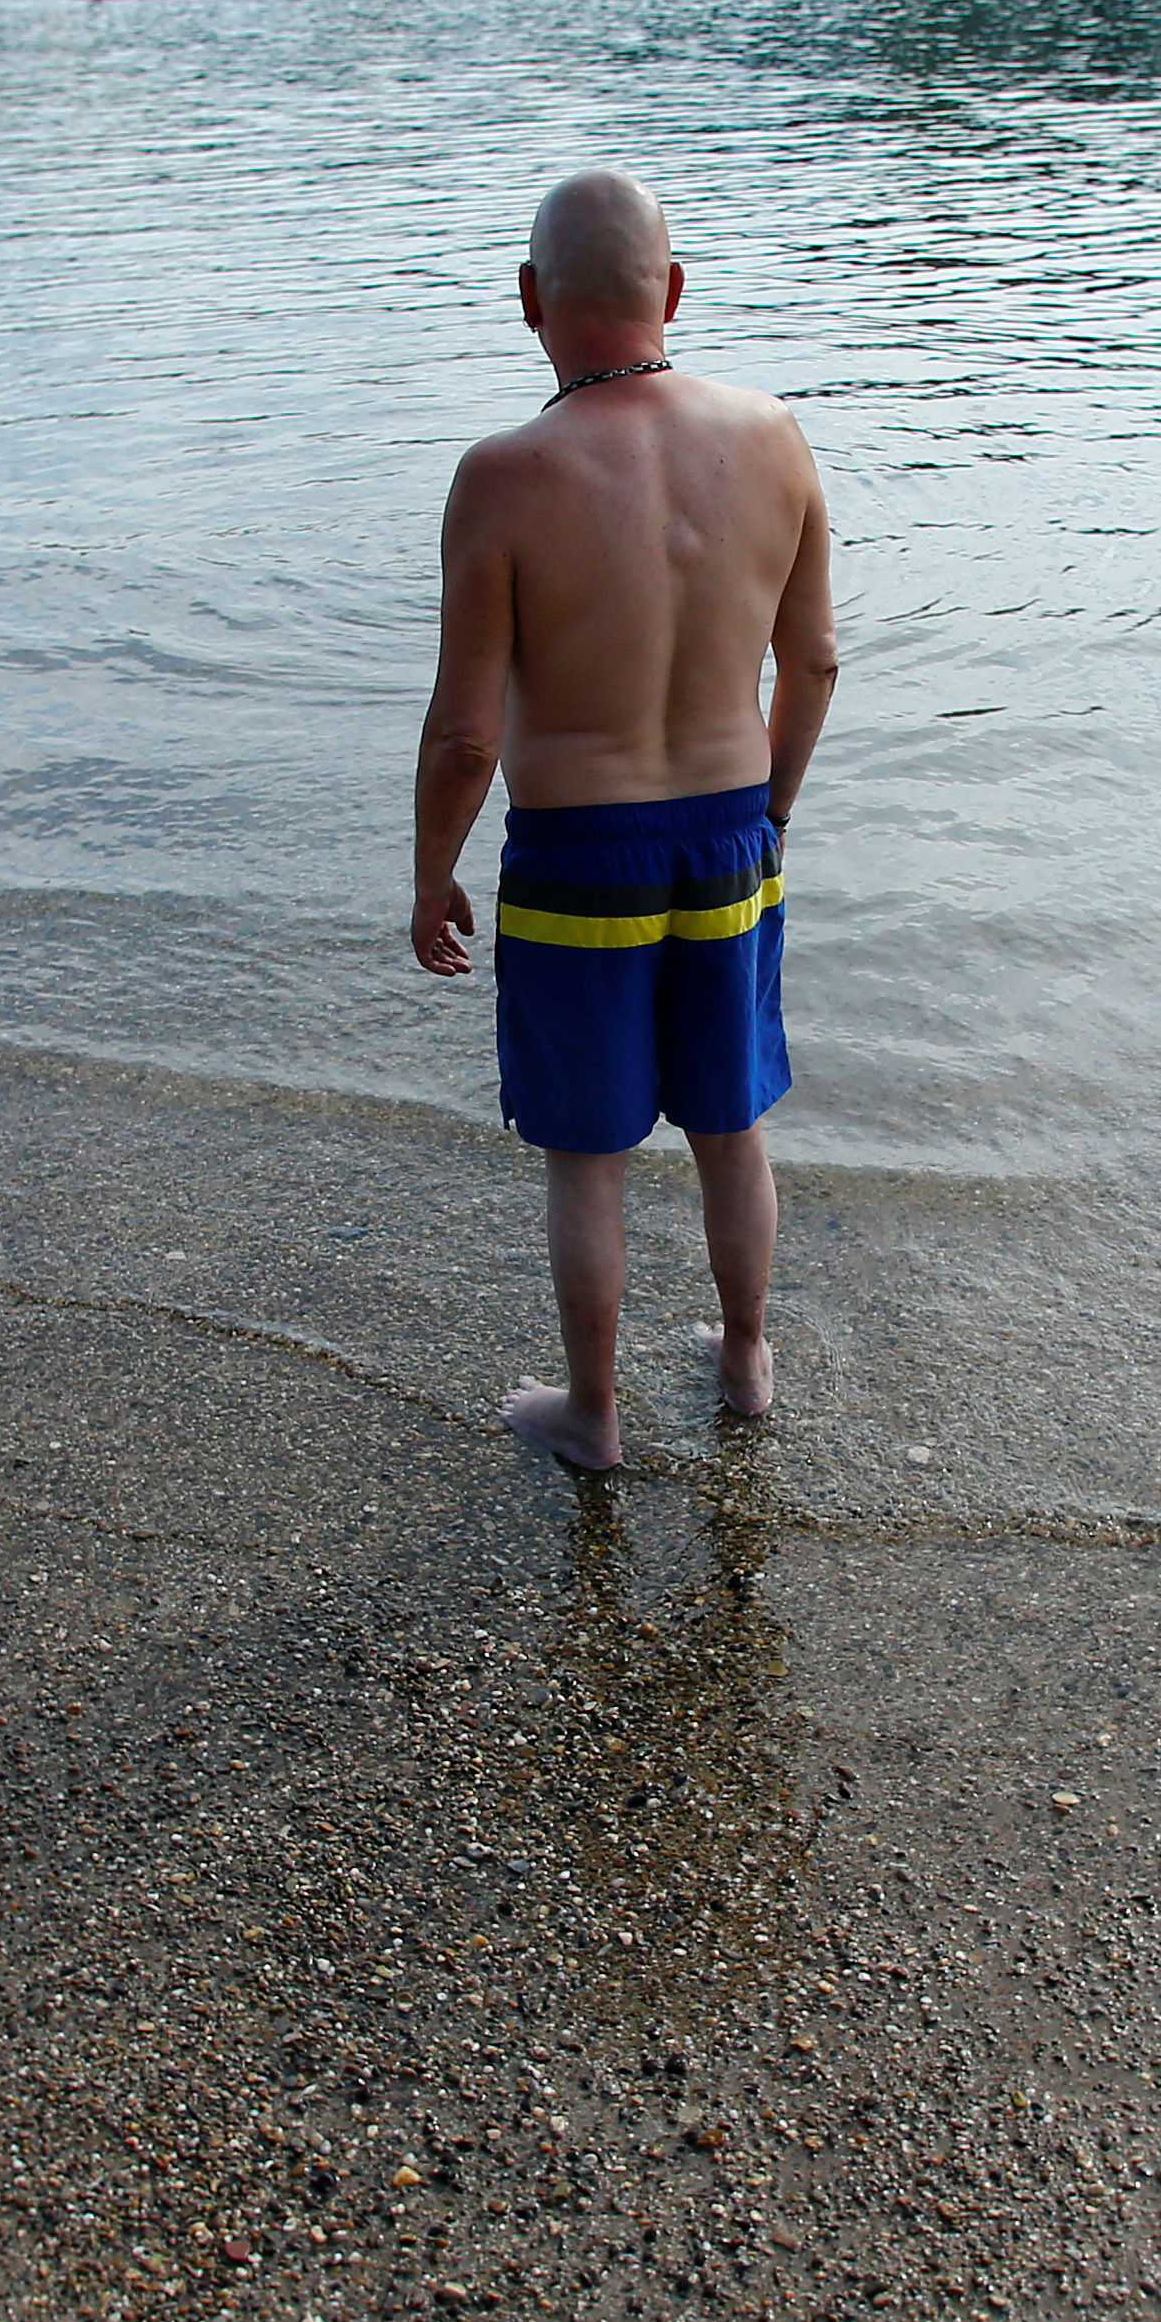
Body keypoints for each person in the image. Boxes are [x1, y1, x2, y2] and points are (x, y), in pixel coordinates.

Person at [411, 171, 840, 1473]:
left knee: (586, 1160)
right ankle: (746, 1360)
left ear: (531, 300)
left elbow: (468, 734)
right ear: (673, 289)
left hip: (578, 857)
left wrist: (430, 878)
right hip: (727, 837)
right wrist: (767, 810)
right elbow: (814, 662)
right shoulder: (773, 436)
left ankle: (593, 1418)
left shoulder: (504, 477)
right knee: (731, 1126)